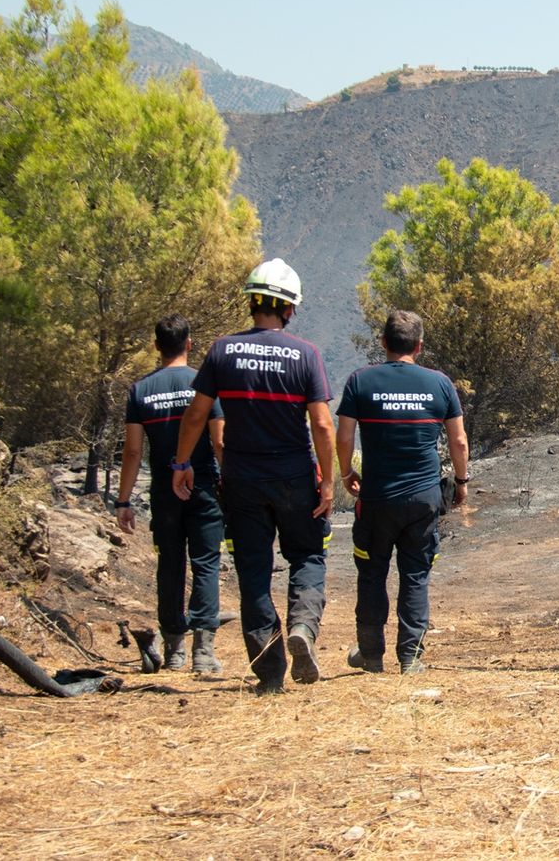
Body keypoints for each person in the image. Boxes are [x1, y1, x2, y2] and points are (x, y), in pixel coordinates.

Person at [172, 258, 335, 694]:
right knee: (308, 555)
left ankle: (268, 673)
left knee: (253, 572)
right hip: (295, 476)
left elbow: (196, 416)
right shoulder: (306, 355)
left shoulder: (222, 351)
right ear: (289, 309)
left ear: (251, 304)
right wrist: (328, 480)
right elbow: (322, 424)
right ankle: (302, 625)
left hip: (242, 480)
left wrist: (182, 463)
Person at [336, 310, 469, 674]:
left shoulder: (360, 381)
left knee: (371, 573)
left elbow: (344, 435)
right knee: (415, 575)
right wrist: (461, 483)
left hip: (376, 498)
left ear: (383, 343)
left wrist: (347, 472)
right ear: (420, 346)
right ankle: (410, 657)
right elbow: (458, 440)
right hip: (423, 500)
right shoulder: (440, 383)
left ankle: (371, 654)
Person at [115, 315, 226, 673]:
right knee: (206, 563)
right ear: (189, 343)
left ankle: (174, 649)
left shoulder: (140, 390)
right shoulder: (204, 384)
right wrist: (233, 484)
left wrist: (123, 500)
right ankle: (203, 652)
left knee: (170, 565)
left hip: (164, 491)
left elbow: (132, 452)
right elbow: (219, 440)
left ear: (156, 346)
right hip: (204, 487)